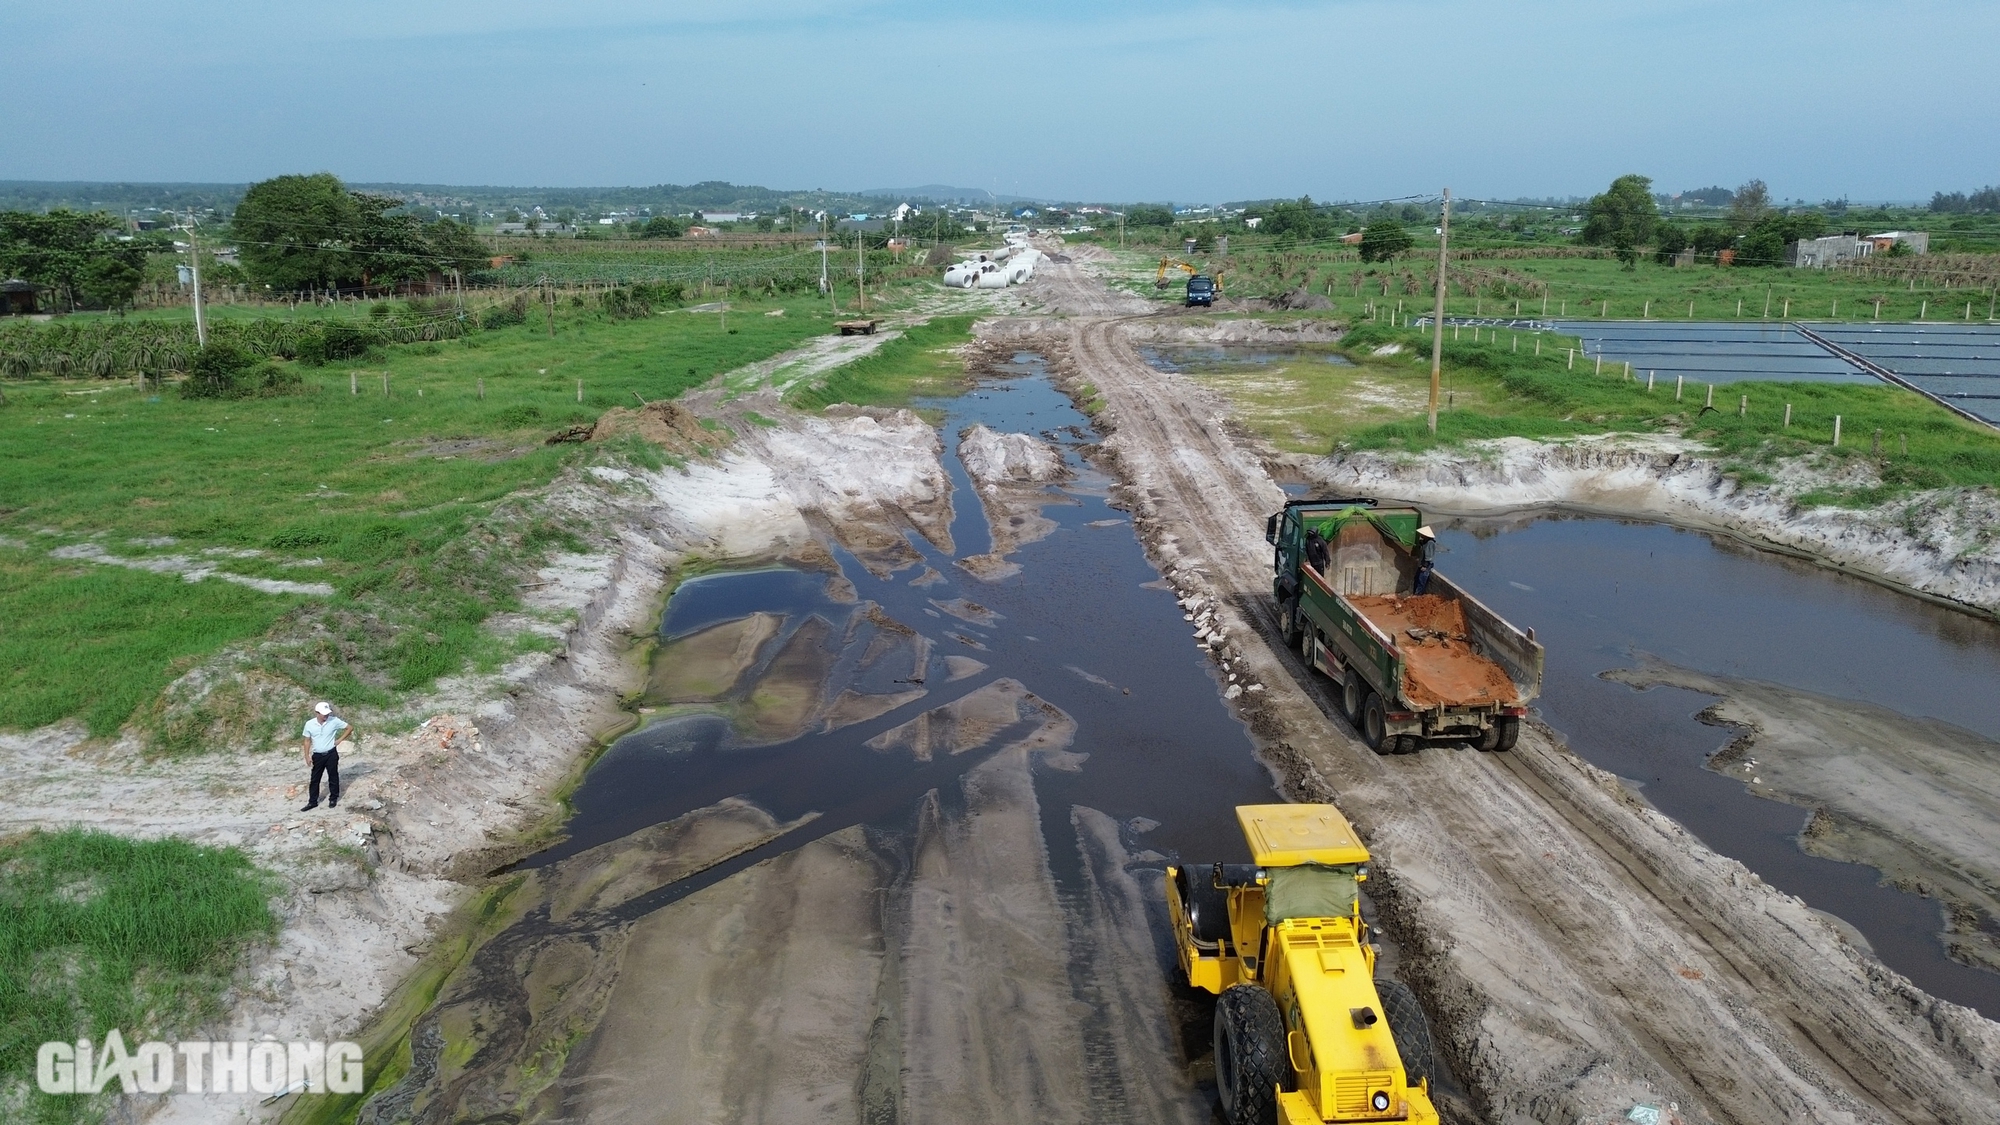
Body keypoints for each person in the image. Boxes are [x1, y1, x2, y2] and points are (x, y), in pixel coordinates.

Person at [300, 701, 353, 811]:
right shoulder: (309, 724)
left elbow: (349, 728)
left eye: (327, 713)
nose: (326, 715)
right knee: (315, 778)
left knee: (333, 776)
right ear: (317, 713)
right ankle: (312, 801)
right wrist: (307, 755)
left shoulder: (334, 721)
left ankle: (333, 798)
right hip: (318, 755)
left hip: (331, 754)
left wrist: (339, 740)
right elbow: (307, 740)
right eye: (324, 714)